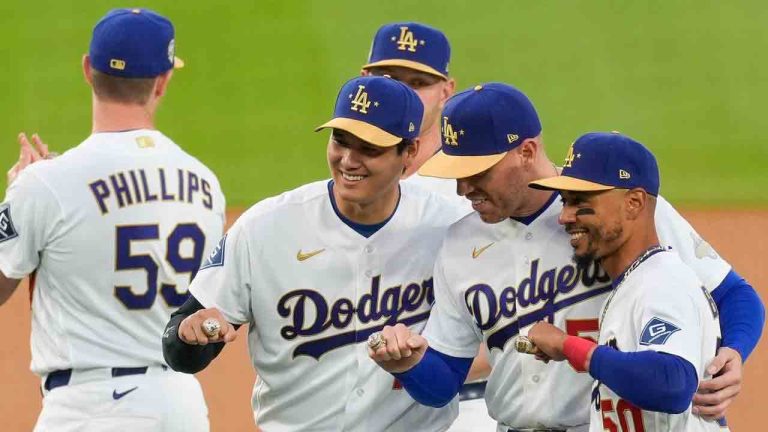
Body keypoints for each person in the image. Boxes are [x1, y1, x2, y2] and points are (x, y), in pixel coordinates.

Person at [368, 82, 764, 431]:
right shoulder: (460, 244)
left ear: (526, 151)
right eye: (456, 172)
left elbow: (734, 295)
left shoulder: (619, 210)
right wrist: (408, 364)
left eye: (478, 172)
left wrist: (732, 352)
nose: (462, 189)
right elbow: (442, 385)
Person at [162, 75, 467, 431]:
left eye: (370, 148)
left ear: (410, 152)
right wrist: (189, 334)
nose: (349, 161)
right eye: (341, 140)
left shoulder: (449, 227)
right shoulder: (264, 228)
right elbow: (180, 352)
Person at [0, 8, 225, 431]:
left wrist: (17, 199)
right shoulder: (206, 184)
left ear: (88, 69)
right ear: (163, 81)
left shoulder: (46, 184)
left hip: (89, 409)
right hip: (181, 407)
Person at [526, 132, 724, 430]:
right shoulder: (636, 282)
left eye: (579, 202)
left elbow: (672, 383)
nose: (565, 217)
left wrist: (568, 346)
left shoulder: (662, 281)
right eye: (565, 202)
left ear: (633, 202)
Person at [361, 23, 489, 431]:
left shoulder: (476, 189)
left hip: (468, 407)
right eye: (388, 80)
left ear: (447, 90)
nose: (401, 93)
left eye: (417, 82)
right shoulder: (350, 184)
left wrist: (426, 366)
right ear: (364, 81)